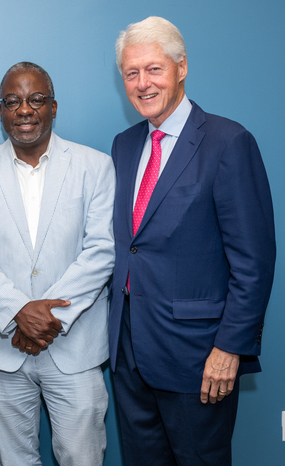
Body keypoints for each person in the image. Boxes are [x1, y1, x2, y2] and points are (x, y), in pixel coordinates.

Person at [109, 16, 276, 465]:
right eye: (131, 72)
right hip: (129, 353)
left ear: (181, 68)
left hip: (198, 357)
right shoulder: (124, 146)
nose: (143, 83)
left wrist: (230, 348)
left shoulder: (228, 142)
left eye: (154, 69)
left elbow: (253, 261)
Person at [0, 62, 115, 466]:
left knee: (84, 458)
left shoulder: (95, 167)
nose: (25, 109)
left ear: (53, 107)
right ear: (2, 111)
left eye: (36, 99)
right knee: (16, 461)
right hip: (2, 346)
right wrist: (18, 312)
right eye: (13, 101)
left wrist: (46, 318)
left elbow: (101, 251)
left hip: (74, 346)